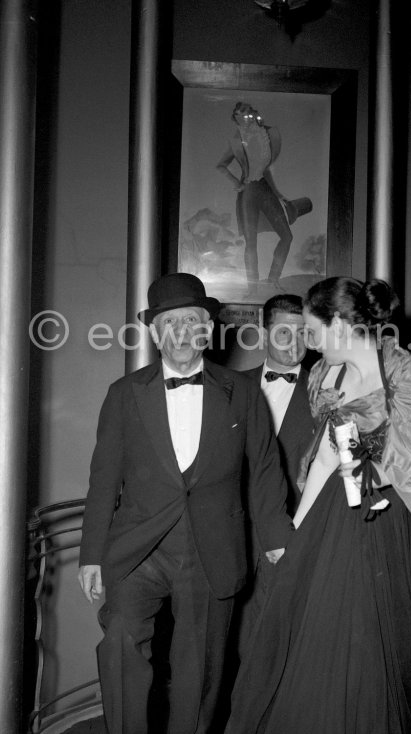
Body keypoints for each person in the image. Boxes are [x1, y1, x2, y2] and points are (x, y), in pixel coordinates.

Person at [226, 277, 411, 734]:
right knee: (335, 638)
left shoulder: (406, 373)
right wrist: (297, 528)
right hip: (339, 517)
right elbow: (328, 456)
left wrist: (370, 472)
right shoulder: (324, 376)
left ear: (341, 326)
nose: (309, 342)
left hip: (403, 519)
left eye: (313, 330)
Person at [77, 273, 293, 734]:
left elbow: (265, 471)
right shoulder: (124, 393)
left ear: (208, 330)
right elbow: (102, 480)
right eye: (169, 323)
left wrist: (277, 540)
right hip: (138, 548)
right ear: (155, 333)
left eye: (191, 321)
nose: (180, 333)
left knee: (201, 669)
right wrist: (91, 553)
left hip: (210, 548)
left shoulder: (243, 392)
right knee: (119, 642)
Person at [245, 294, 315, 515]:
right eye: (284, 332)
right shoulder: (230, 387)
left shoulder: (324, 392)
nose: (294, 343)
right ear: (265, 336)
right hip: (241, 525)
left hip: (298, 522)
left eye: (302, 333)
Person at [216, 102, 294, 297]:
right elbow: (221, 165)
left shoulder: (269, 133)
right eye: (240, 117)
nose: (246, 119)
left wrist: (278, 194)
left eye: (248, 115)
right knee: (251, 243)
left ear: (254, 114)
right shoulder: (236, 141)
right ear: (236, 119)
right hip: (249, 191)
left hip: (264, 188)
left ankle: (273, 279)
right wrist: (236, 182)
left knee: (287, 235)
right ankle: (252, 289)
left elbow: (267, 169)